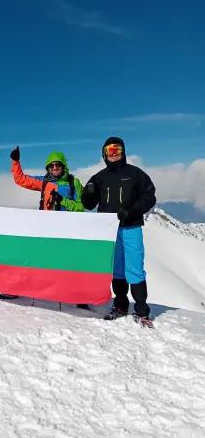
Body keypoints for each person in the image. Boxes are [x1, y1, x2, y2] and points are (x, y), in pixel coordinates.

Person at [81, 136, 156, 325]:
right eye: (110, 151)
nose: (114, 154)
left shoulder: (136, 174)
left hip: (131, 227)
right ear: (104, 154)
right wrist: (88, 193)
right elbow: (88, 204)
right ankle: (120, 306)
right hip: (110, 231)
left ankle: (142, 311)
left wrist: (133, 210)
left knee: (135, 269)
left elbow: (149, 197)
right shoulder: (99, 177)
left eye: (117, 150)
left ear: (123, 152)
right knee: (117, 270)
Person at [1, 146, 87, 306]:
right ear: (48, 167)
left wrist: (62, 201)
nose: (55, 168)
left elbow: (81, 207)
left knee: (70, 262)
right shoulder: (44, 181)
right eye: (52, 165)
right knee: (31, 257)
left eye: (58, 165)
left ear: (63, 166)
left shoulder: (73, 182)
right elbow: (21, 180)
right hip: (45, 228)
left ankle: (79, 296)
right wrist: (15, 162)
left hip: (67, 229)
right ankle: (17, 289)